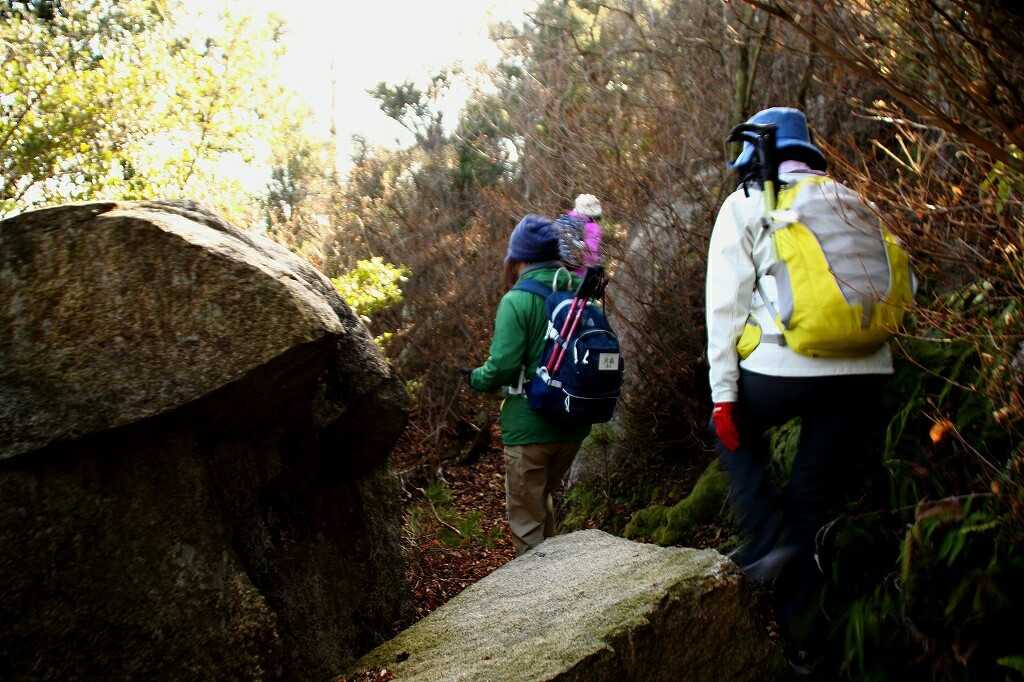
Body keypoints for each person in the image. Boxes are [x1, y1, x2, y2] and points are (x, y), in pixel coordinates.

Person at [706, 107, 897, 665]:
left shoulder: (747, 203)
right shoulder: (855, 201)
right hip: (866, 374)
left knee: (735, 427)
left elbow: (723, 311)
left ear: (753, 156)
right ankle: (805, 644)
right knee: (810, 502)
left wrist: (722, 398)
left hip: (785, 371)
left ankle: (767, 540)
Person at [465, 214, 591, 555]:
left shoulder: (517, 300)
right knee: (542, 503)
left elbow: (502, 367)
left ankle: (540, 589)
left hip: (529, 427)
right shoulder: (580, 294)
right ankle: (559, 581)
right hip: (573, 424)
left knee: (526, 525)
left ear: (519, 258)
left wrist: (476, 378)